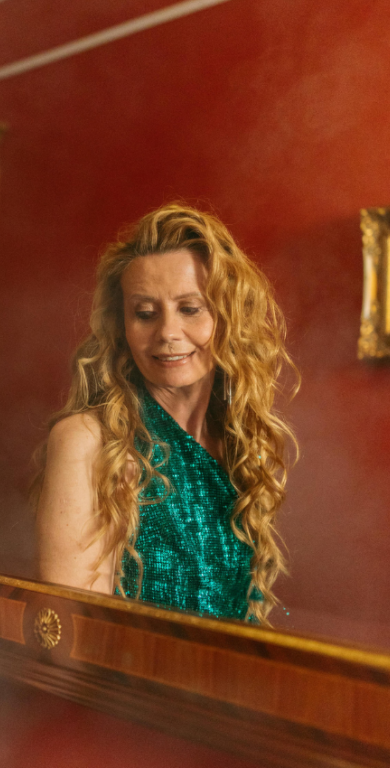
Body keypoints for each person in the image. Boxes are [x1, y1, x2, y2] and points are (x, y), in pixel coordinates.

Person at [35, 203, 297, 624]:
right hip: (129, 689)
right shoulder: (89, 440)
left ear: (228, 317)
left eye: (190, 309)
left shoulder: (240, 445)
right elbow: (72, 636)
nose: (168, 333)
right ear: (121, 325)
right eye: (145, 313)